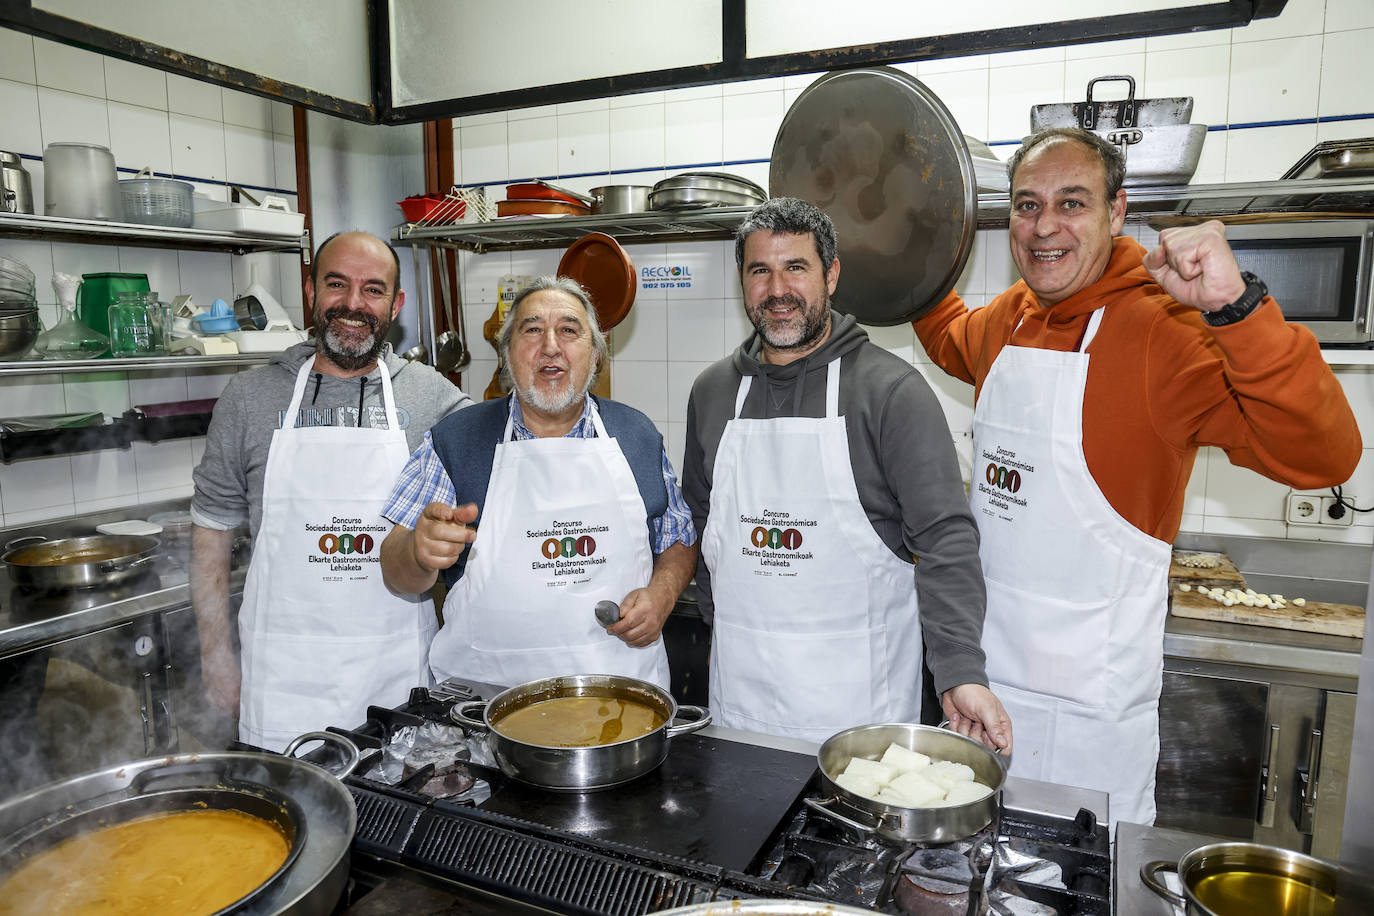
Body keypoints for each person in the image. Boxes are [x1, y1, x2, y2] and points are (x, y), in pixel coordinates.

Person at [913, 127, 1362, 826]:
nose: (1045, 227)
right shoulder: (1008, 319)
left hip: (1088, 717)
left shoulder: (1168, 330)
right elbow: (950, 339)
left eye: (1073, 203)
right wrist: (902, 252)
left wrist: (1235, 309)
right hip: (980, 693)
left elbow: (1322, 457)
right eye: (1028, 206)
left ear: (1117, 212)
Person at [681, 197, 1012, 748]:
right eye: (760, 270)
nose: (777, 289)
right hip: (740, 704)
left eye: (796, 268)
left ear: (831, 275)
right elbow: (700, 522)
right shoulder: (713, 392)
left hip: (861, 716)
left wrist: (959, 670)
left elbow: (944, 540)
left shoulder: (891, 393)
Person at [191, 230, 472, 751]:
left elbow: (495, 474)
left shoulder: (434, 398)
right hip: (283, 684)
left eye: (373, 290)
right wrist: (216, 655)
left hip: (397, 682)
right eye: (337, 285)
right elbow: (211, 530)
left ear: (396, 304)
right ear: (311, 291)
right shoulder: (249, 397)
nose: (352, 304)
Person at [379, 276, 697, 691]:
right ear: (508, 354)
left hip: (619, 696)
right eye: (532, 330)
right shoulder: (455, 440)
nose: (550, 346)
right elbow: (395, 569)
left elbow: (679, 538)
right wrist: (418, 555)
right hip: (486, 703)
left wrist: (663, 594)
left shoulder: (637, 435)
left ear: (596, 355)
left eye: (569, 330)